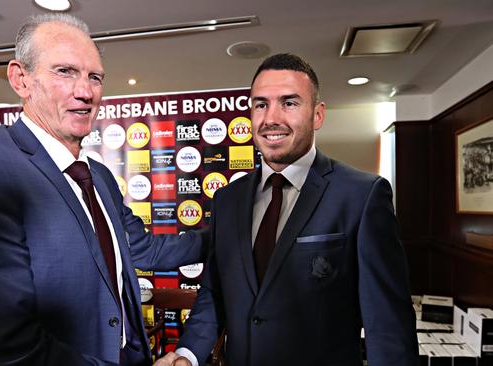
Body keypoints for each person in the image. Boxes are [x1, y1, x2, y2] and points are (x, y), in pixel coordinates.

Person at [0, 13, 206, 366]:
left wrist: (233, 233)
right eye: (64, 71)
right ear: (20, 79)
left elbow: (143, 250)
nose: (85, 92)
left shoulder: (96, 176)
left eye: (95, 77)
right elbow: (4, 348)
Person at [155, 53, 418, 366]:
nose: (271, 118)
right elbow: (216, 293)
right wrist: (187, 355)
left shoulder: (363, 195)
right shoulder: (227, 199)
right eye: (261, 104)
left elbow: (387, 328)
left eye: (289, 103)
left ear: (318, 115)